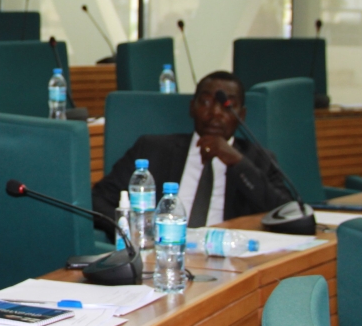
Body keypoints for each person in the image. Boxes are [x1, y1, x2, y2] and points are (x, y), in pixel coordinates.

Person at [91, 71, 292, 232]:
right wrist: (135, 228)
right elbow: (98, 199)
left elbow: (286, 213)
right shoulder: (152, 149)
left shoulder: (258, 159)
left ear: (242, 115)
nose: (214, 112)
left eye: (226, 106)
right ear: (192, 108)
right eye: (205, 102)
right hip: (162, 253)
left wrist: (237, 162)